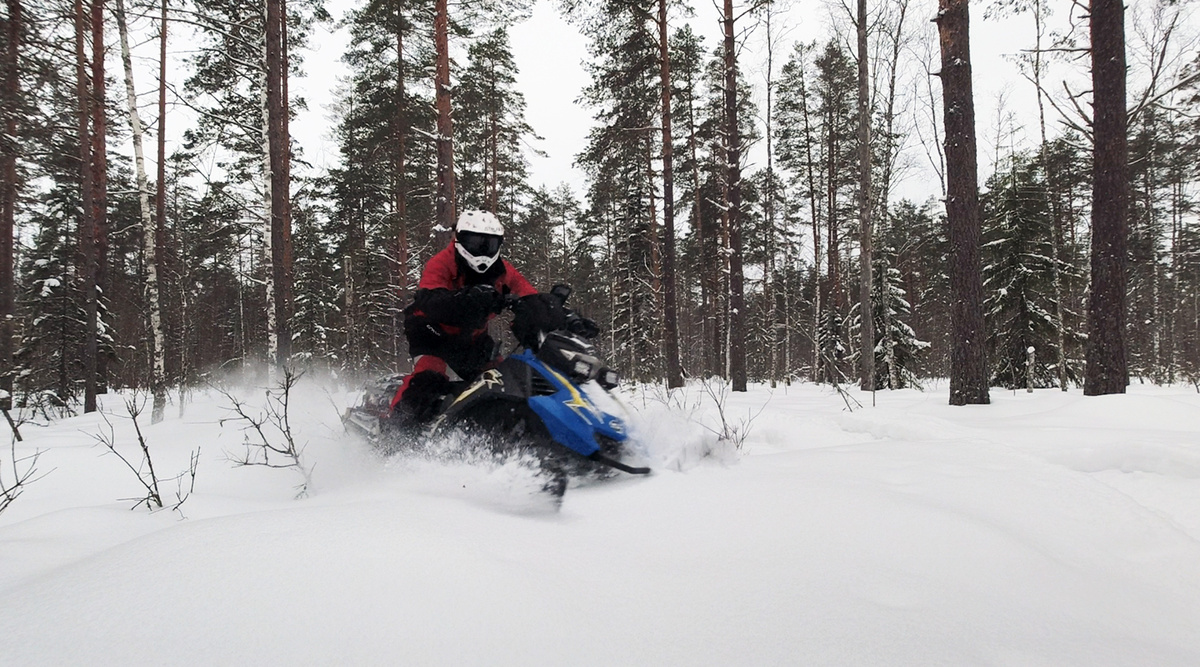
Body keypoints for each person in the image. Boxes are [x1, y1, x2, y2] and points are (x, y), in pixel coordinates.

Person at [393, 209, 563, 422]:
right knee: (429, 377)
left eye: (489, 244)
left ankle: (500, 431)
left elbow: (528, 295)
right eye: (474, 242)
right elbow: (431, 302)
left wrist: (555, 312)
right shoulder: (442, 262)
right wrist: (471, 298)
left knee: (506, 381)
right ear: (460, 240)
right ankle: (395, 429)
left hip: (471, 338)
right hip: (430, 332)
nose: (482, 250)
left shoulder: (502, 270)